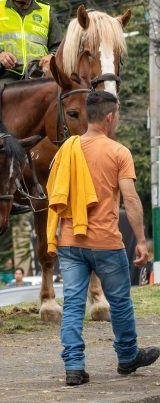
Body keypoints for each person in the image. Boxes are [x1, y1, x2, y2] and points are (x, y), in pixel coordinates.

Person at [47, 91, 159, 385]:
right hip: (106, 242)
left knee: (73, 304)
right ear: (110, 117)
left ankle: (73, 366)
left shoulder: (67, 150)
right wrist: (141, 240)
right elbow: (131, 199)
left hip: (70, 241)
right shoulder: (118, 152)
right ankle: (127, 357)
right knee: (119, 302)